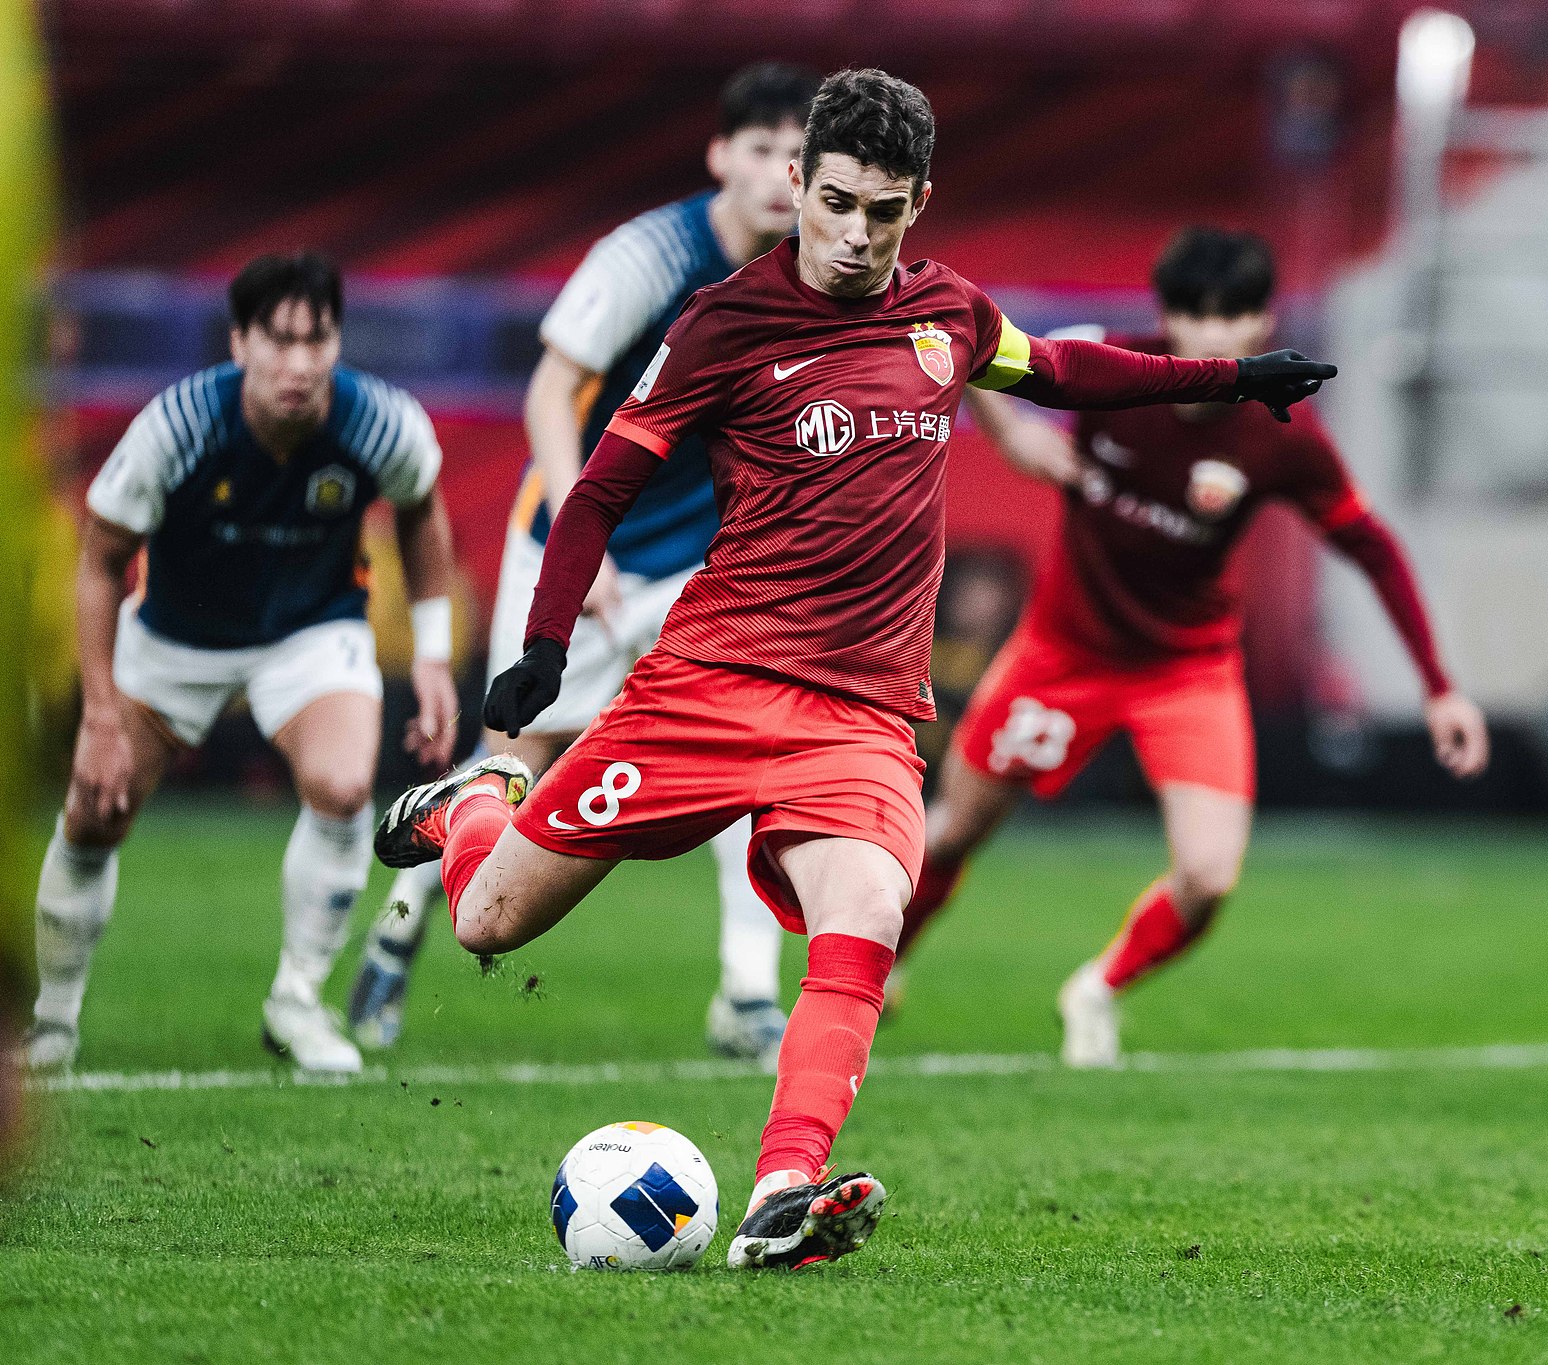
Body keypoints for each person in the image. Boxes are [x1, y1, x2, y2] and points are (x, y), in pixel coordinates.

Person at [372, 68, 1336, 1270]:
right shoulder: (724, 323)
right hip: (705, 689)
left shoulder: (948, 318)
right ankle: (475, 806)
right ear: (796, 184)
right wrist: (546, 648)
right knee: (488, 919)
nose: (855, 234)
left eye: (883, 211)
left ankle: (783, 1191)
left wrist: (1232, 381)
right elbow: (604, 484)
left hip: (865, 716)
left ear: (918, 202)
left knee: (868, 910)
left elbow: (1067, 376)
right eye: (835, 203)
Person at [892, 226, 1489, 1068]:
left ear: (1262, 323)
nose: (1215, 334)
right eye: (1196, 315)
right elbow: (1009, 397)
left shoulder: (1279, 434)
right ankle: (883, 967)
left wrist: (1437, 684)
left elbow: (1368, 543)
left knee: (1209, 878)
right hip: (1063, 652)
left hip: (1187, 671)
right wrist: (973, 383)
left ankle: (1095, 986)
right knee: (951, 832)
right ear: (1167, 318)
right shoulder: (1110, 371)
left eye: (1235, 316)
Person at [347, 64, 821, 1066]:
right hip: (572, 541)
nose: (779, 173)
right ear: (718, 156)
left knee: (752, 756)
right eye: (758, 146)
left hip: (698, 563)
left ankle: (744, 996)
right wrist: (580, 532)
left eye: (796, 151)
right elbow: (551, 390)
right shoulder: (649, 253)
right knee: (522, 757)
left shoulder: (809, 268)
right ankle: (399, 918)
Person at [26, 252, 458, 1075]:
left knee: (340, 787)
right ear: (240, 342)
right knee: (93, 814)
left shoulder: (381, 422)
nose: (298, 362)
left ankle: (296, 1002)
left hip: (310, 629)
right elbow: (98, 560)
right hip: (173, 637)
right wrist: (101, 715)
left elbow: (421, 512)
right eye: (278, 339)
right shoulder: (178, 426)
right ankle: (50, 1021)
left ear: (337, 342)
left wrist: (433, 654)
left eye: (316, 339)